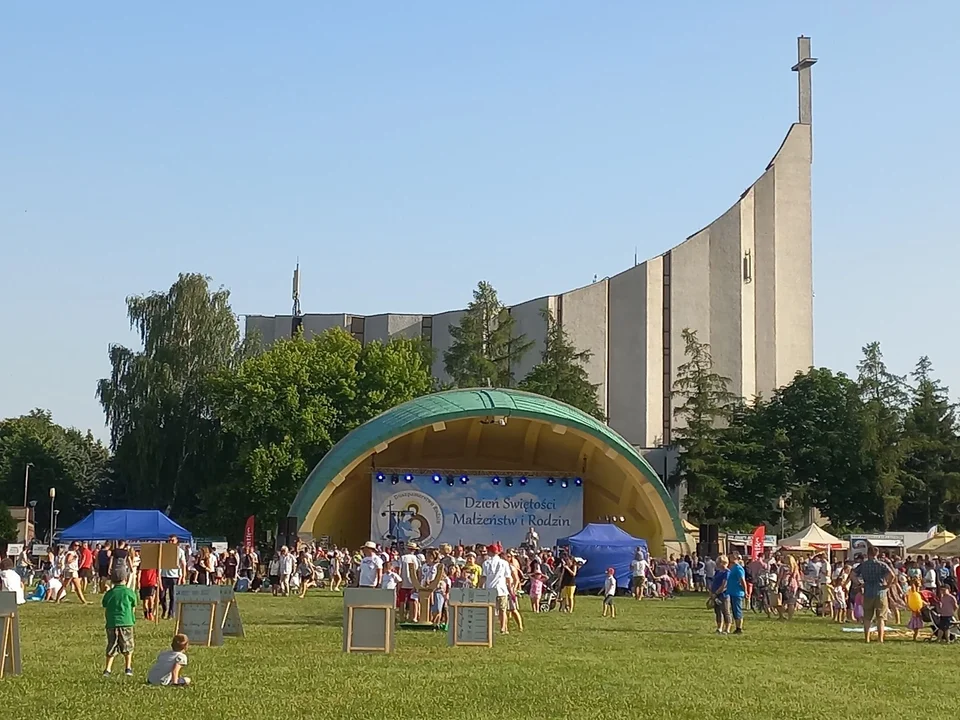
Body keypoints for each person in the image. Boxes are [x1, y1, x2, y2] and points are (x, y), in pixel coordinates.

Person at [853, 544, 893, 644]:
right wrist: (887, 586)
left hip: (868, 592)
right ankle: (880, 639)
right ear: (877, 554)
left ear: (868, 554)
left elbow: (852, 574)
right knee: (880, 618)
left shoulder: (863, 565)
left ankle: (867, 638)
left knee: (867, 617)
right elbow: (892, 575)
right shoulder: (882, 564)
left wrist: (859, 584)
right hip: (880, 592)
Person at [102, 568, 137, 676]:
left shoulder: (110, 593)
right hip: (126, 622)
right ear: (125, 579)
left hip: (112, 623)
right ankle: (128, 668)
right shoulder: (129, 592)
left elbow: (104, 603)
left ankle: (107, 669)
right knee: (128, 646)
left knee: (112, 645)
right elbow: (134, 603)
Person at [480, 545, 513, 634]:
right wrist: (511, 589)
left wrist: (480, 587)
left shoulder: (486, 563)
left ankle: (489, 627)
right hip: (501, 589)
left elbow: (483, 577)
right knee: (503, 610)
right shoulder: (504, 563)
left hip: (490, 589)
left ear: (490, 552)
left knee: (490, 610)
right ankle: (503, 628)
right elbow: (508, 578)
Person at [159, 535, 187, 619]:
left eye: (172, 540)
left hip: (175, 576)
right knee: (162, 595)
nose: (170, 542)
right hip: (164, 575)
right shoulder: (164, 551)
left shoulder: (180, 551)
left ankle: (171, 614)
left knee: (173, 596)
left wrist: (183, 576)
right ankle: (164, 609)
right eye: (169, 540)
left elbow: (183, 564)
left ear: (176, 541)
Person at [726, 552, 747, 634]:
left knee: (737, 610)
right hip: (732, 591)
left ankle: (739, 628)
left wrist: (745, 591)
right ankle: (737, 626)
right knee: (734, 610)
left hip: (737, 592)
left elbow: (742, 580)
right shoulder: (732, 568)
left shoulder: (738, 568)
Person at [709, 555, 731, 634]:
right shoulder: (718, 571)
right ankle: (719, 628)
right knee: (717, 611)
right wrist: (711, 592)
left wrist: (716, 593)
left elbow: (724, 585)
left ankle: (727, 629)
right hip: (715, 594)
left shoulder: (727, 572)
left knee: (725, 611)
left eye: (718, 562)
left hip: (723, 595)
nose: (717, 564)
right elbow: (714, 582)